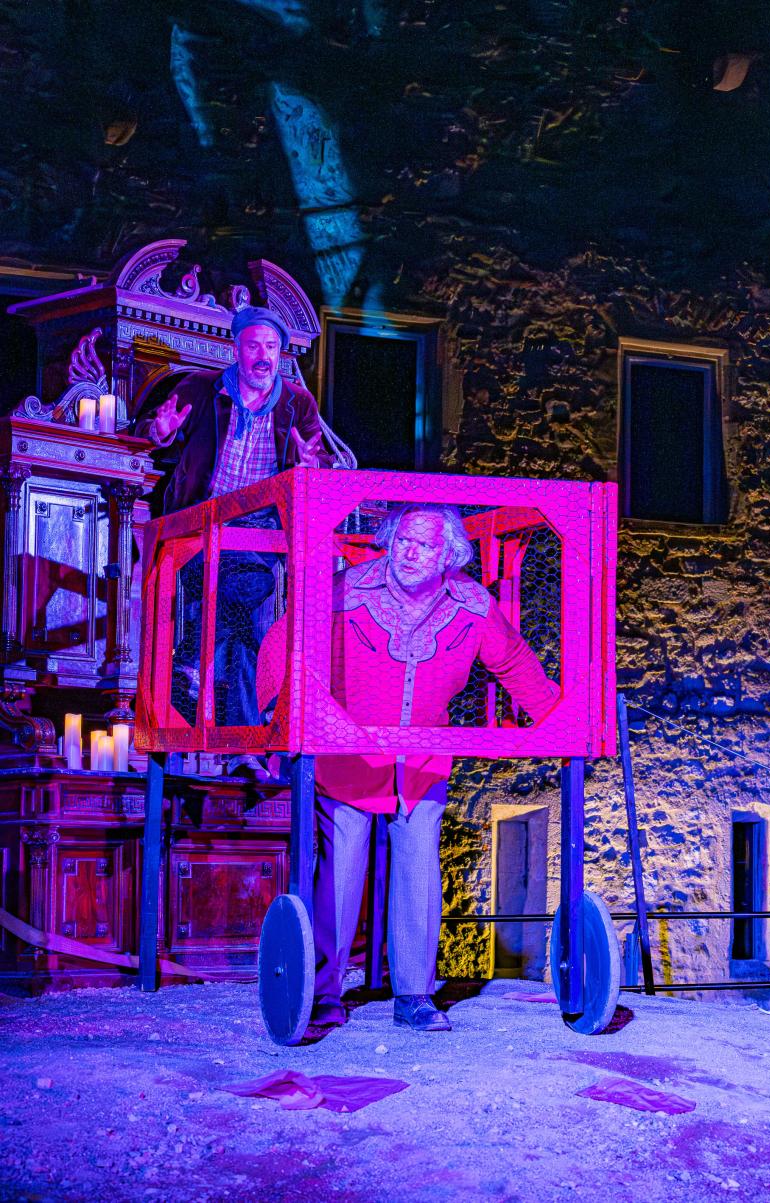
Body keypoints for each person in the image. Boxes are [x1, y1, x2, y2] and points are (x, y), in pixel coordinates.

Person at [257, 503, 559, 1031]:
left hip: (422, 763)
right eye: (402, 541)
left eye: (424, 545)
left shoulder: (472, 603)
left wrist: (562, 720)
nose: (410, 553)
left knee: (420, 865)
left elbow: (513, 662)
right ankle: (323, 992)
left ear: (450, 554)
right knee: (341, 871)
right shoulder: (342, 590)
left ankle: (414, 996)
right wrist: (275, 715)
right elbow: (284, 641)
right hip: (347, 756)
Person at [138, 305, 327, 782]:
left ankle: (193, 659)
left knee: (237, 619)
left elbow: (319, 467)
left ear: (280, 354)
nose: (262, 357)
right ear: (236, 348)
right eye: (253, 346)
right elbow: (152, 435)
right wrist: (158, 433)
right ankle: (241, 744)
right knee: (245, 635)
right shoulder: (202, 389)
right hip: (198, 528)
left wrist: (312, 466)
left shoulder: (298, 403)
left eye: (271, 348)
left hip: (261, 532)